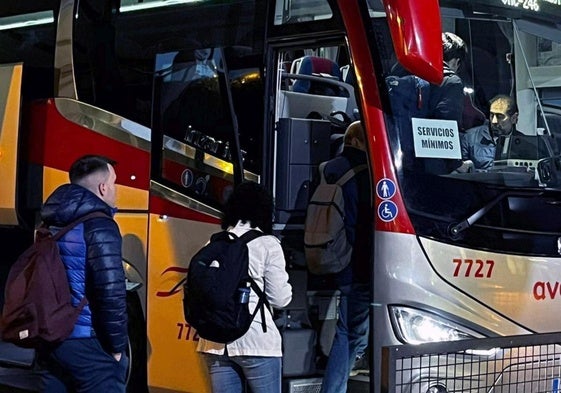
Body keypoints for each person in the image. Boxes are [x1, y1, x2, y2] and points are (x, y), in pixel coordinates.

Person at [37, 155, 128, 393]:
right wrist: (117, 349)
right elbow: (110, 292)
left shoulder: (49, 222)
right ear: (103, 187)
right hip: (85, 337)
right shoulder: (100, 225)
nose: (115, 190)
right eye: (114, 183)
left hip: (50, 337)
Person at [197, 181, 292, 393]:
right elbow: (280, 298)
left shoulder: (213, 243)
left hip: (215, 342)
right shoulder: (268, 244)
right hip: (256, 340)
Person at [320, 121, 372, 393]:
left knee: (347, 330)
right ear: (359, 142)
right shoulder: (364, 174)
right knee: (350, 333)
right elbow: (360, 225)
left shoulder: (328, 168)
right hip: (358, 264)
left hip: (332, 257)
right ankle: (333, 388)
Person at [461, 94, 522, 170]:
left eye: (500, 116)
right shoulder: (469, 138)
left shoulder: (523, 143)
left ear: (514, 118)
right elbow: (460, 172)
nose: (494, 121)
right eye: (492, 115)